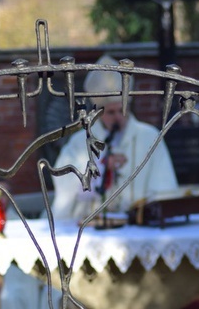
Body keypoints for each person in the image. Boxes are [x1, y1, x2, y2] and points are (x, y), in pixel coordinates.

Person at [50, 54, 179, 223]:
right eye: (111, 112)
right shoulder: (80, 142)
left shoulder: (150, 137)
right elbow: (65, 183)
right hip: (92, 227)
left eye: (122, 110)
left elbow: (164, 189)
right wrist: (101, 168)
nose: (118, 117)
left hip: (139, 228)